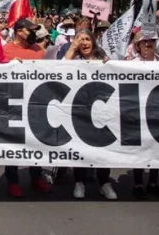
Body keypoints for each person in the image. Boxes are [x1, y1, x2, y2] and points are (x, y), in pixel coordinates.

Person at [63, 29, 117, 200]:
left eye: (87, 39)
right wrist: (72, 48)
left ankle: (104, 183)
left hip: (101, 110)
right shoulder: (73, 59)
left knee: (102, 148)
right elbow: (59, 68)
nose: (84, 43)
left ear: (93, 41)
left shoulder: (102, 58)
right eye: (80, 40)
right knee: (81, 146)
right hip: (79, 110)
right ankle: (80, 182)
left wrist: (110, 65)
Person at [1, 19, 51, 196]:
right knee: (13, 143)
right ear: (20, 32)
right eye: (31, 30)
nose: (34, 34)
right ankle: (13, 181)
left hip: (36, 104)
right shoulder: (5, 51)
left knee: (35, 142)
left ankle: (36, 177)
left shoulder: (39, 50)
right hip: (13, 105)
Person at [129, 32, 159, 199]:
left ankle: (153, 182)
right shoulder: (132, 64)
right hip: (138, 111)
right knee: (140, 149)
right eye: (144, 41)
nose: (148, 44)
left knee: (156, 148)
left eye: (151, 40)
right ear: (138, 45)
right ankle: (138, 184)